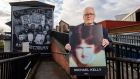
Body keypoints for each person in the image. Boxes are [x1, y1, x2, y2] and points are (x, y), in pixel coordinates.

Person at [65, 6, 112, 79]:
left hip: (98, 72)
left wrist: (108, 44)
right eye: (86, 14)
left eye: (91, 14)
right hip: (81, 72)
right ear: (83, 17)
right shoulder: (75, 30)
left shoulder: (103, 30)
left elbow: (111, 47)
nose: (89, 16)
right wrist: (67, 47)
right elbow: (70, 46)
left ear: (94, 16)